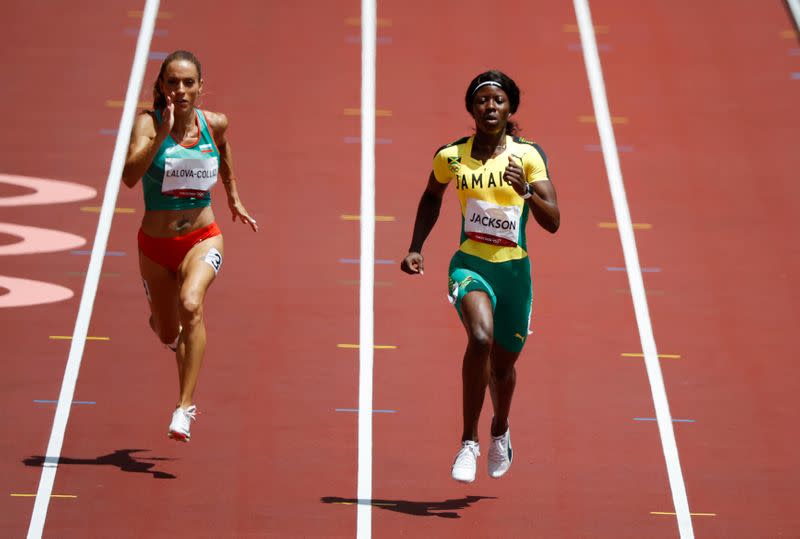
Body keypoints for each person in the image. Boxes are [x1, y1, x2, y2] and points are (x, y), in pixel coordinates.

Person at [401, 70, 560, 482]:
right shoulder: (451, 155)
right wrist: (416, 247)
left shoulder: (528, 156)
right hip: (470, 263)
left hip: (514, 272)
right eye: (482, 101)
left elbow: (554, 220)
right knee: (480, 338)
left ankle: (499, 429)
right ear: (471, 108)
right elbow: (431, 196)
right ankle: (468, 441)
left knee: (503, 368)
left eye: (499, 101)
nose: (490, 107)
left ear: (510, 109)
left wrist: (526, 191)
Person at [122, 50, 257, 442]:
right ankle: (169, 332)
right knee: (167, 330)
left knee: (192, 304)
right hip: (155, 247)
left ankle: (184, 408)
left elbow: (225, 154)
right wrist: (162, 136)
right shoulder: (146, 124)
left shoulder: (215, 123)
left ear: (200, 87)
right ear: (161, 86)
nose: (180, 90)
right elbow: (130, 177)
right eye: (172, 83)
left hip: (202, 236)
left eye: (188, 83)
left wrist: (233, 197)